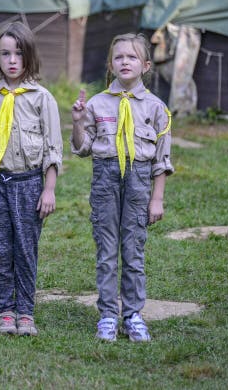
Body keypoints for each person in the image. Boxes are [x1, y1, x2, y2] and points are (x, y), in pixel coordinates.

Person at [71, 32, 173, 343]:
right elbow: (82, 148)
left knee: (133, 250)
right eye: (119, 57)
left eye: (131, 57)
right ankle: (107, 315)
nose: (124, 61)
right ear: (111, 64)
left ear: (145, 65)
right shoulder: (97, 103)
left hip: (139, 181)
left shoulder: (156, 108)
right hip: (105, 179)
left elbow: (162, 159)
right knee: (106, 250)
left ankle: (132, 315)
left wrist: (157, 199)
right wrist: (77, 121)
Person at [0, 22, 62, 336]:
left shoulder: (42, 99)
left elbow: (52, 148)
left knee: (25, 248)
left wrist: (49, 189)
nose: (12, 60)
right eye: (5, 54)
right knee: (0, 248)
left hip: (30, 182)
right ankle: (5, 311)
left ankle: (26, 311)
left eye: (18, 54)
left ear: (29, 57)